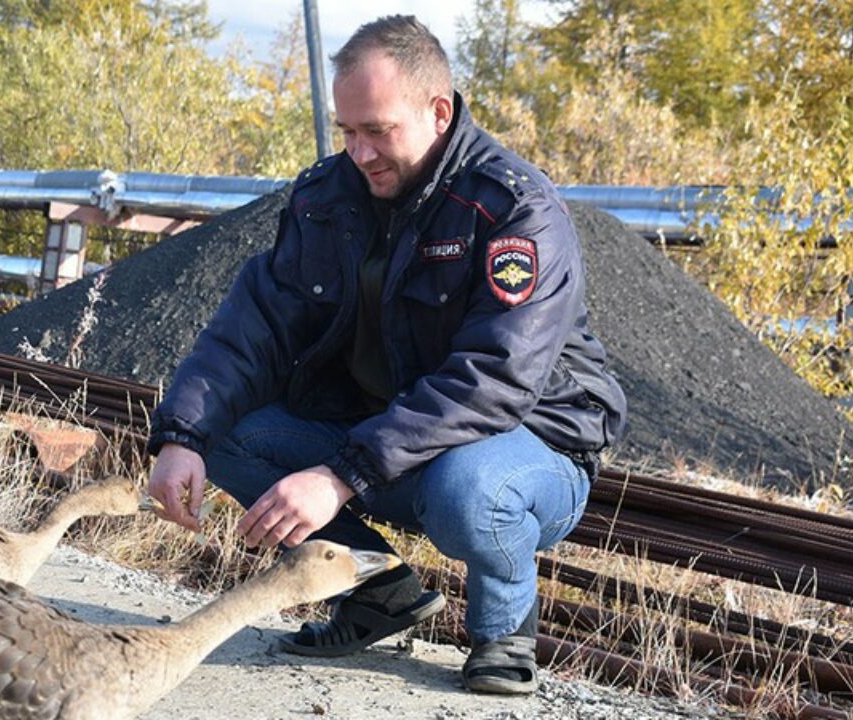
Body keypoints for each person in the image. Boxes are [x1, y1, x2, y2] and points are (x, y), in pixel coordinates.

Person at [146, 14, 626, 696]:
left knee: (465, 489)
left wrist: (341, 474)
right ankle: (378, 592)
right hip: (391, 438)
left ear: (438, 111)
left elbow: (493, 381)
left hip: (530, 444)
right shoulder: (326, 197)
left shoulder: (514, 211)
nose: (360, 152)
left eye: (377, 131)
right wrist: (182, 435)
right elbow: (252, 327)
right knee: (230, 435)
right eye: (348, 131)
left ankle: (504, 632)